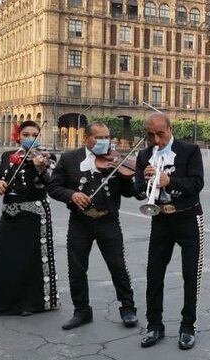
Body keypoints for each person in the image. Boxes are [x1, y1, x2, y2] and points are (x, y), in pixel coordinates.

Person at [48, 121, 138, 330]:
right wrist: (72, 194)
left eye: (107, 137)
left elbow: (129, 191)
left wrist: (137, 179)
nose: (104, 141)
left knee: (118, 266)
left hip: (108, 220)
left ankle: (127, 308)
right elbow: (53, 187)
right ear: (86, 138)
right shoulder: (70, 159)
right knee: (77, 268)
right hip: (80, 221)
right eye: (99, 137)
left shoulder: (116, 160)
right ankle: (81, 311)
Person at [136, 114, 205, 350]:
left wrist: (169, 181)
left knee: (190, 273)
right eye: (150, 135)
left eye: (160, 134)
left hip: (188, 217)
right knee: (154, 273)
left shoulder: (190, 150)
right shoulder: (145, 155)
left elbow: (197, 184)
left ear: (170, 129)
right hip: (161, 219)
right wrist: (143, 181)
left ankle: (188, 326)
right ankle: (154, 325)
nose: (156, 140)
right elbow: (137, 190)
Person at [0, 120, 59, 316]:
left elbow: (52, 184)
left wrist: (41, 169)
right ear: (19, 136)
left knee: (30, 259)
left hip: (34, 214)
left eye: (34, 135)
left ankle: (31, 303)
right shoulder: (7, 157)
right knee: (6, 257)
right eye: (26, 134)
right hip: (9, 215)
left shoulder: (46, 157)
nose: (30, 138)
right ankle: (8, 303)